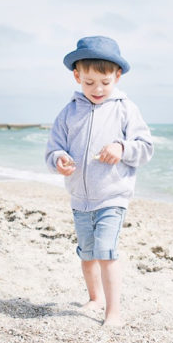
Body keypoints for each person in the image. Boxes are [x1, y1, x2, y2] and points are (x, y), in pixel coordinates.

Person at [45, 36, 153, 326]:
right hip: (80, 197)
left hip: (112, 196)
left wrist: (122, 148)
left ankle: (113, 312)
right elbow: (53, 148)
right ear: (77, 76)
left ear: (117, 76)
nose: (97, 89)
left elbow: (145, 147)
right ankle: (94, 298)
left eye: (105, 82)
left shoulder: (125, 109)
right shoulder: (69, 112)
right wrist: (59, 160)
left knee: (106, 252)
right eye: (89, 82)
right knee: (87, 253)